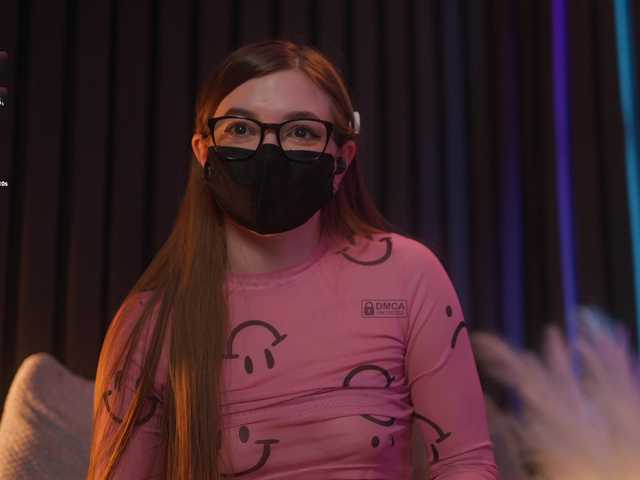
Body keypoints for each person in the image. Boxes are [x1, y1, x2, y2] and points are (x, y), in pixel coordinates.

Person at [87, 39, 499, 479]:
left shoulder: (406, 276)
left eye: (301, 131)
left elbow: (465, 463)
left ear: (341, 161)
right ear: (204, 152)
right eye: (240, 129)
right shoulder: (150, 323)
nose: (268, 151)